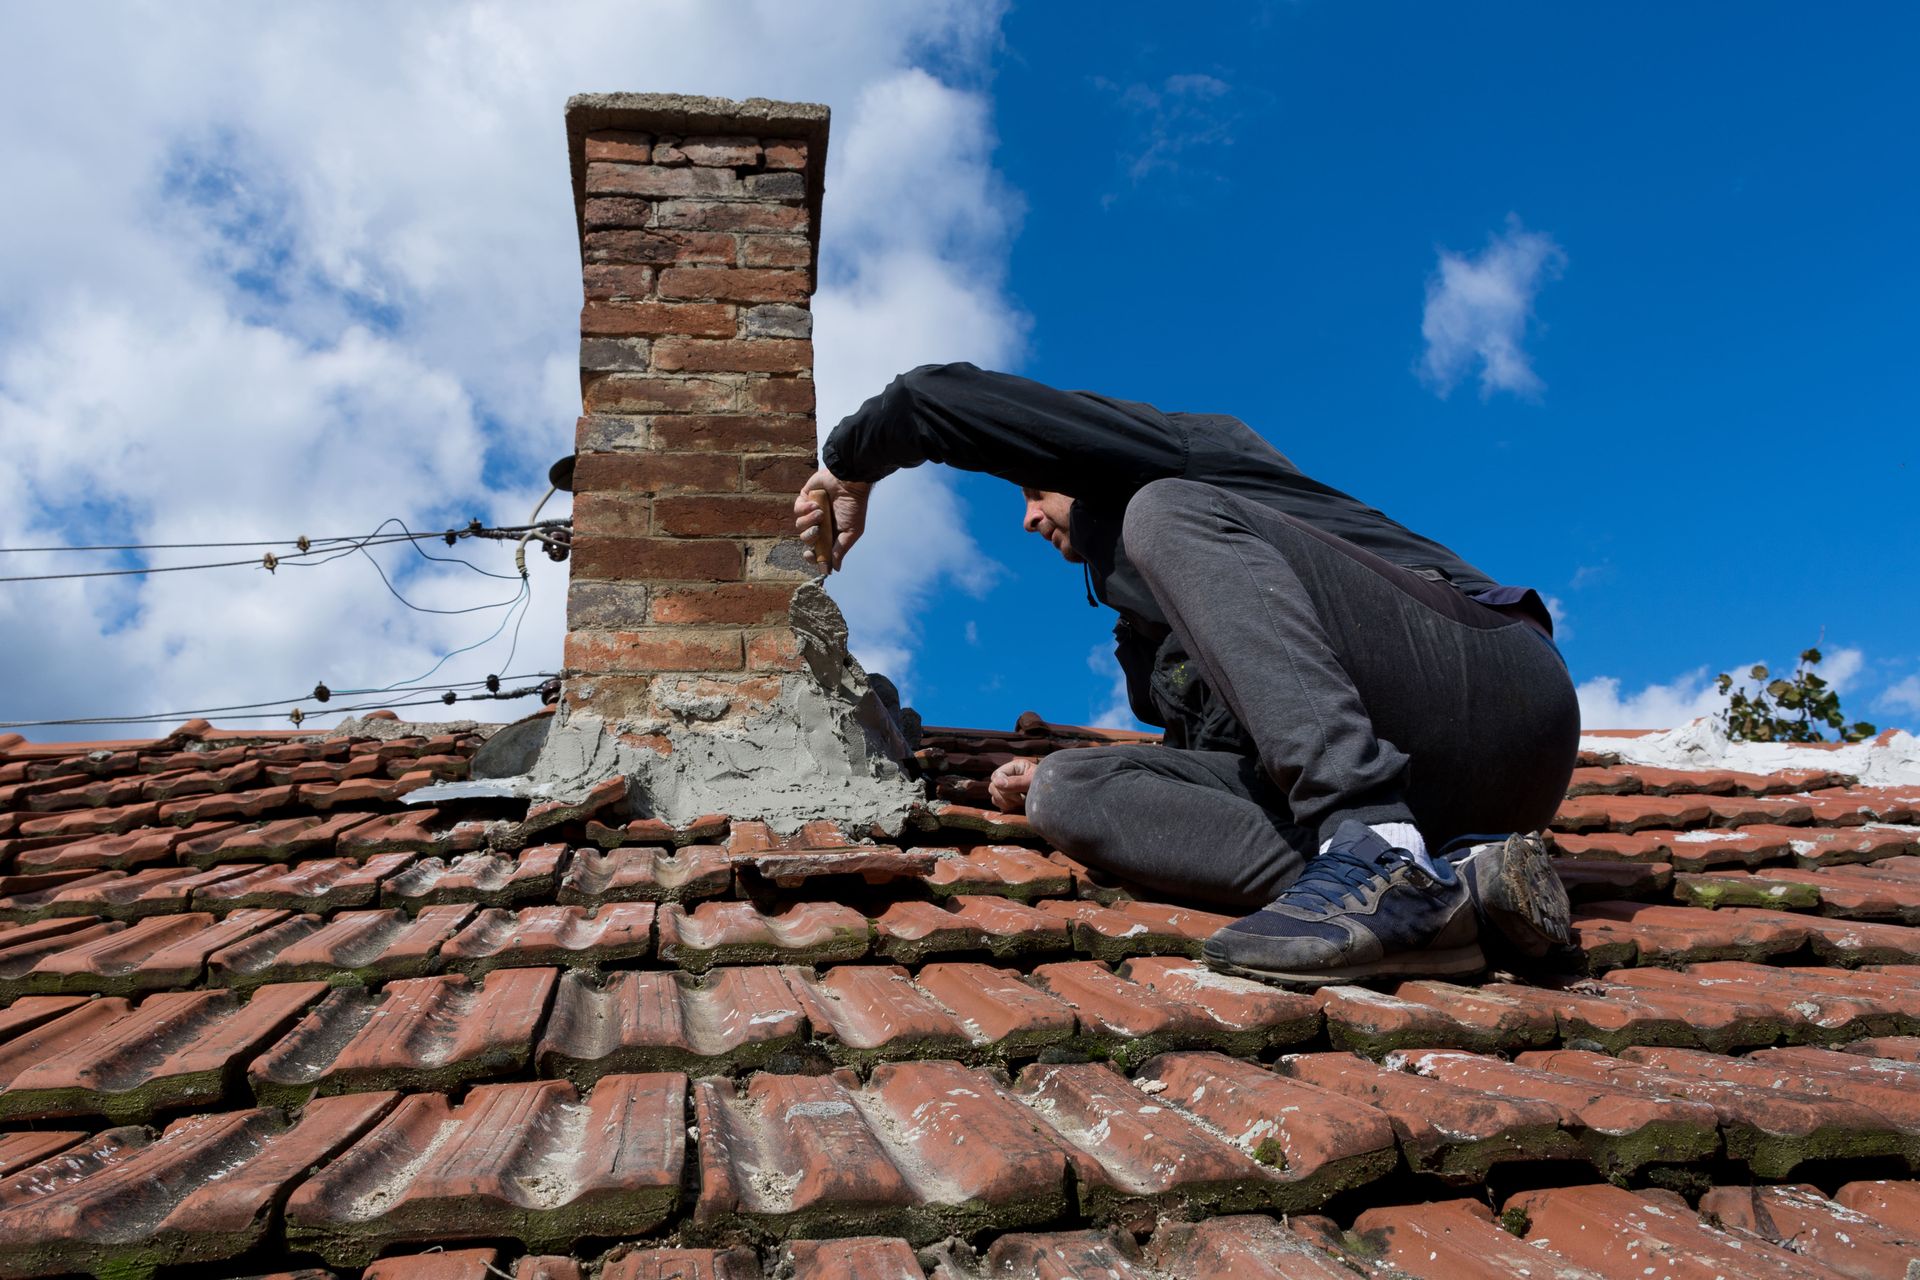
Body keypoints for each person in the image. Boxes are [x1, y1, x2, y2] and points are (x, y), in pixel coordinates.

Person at [794, 363, 1579, 987]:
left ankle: (1377, 846)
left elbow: (932, 400)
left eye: (1035, 490)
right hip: (1454, 808)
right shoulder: (1155, 625)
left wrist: (849, 466)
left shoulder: (1194, 457)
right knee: (1066, 790)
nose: (1028, 519)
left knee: (1163, 512)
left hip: (1494, 685)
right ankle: (1455, 897)